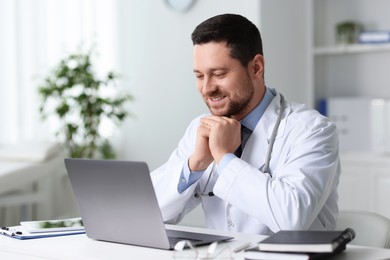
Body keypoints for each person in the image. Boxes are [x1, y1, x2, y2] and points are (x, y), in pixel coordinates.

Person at [151, 13, 340, 235]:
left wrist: (224, 158)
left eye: (219, 74)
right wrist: (195, 164)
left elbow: (292, 220)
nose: (207, 88)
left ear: (256, 68)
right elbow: (149, 213)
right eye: (200, 76)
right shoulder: (200, 129)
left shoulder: (311, 130)